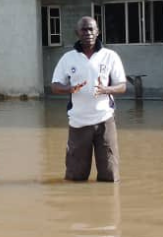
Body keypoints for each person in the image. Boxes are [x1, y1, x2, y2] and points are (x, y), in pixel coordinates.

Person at [50, 16, 127, 182]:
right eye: (84, 30)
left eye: (91, 29)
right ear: (77, 33)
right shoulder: (68, 58)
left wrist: (107, 89)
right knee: (75, 178)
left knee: (110, 176)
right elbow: (55, 85)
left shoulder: (110, 56)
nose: (88, 33)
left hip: (104, 120)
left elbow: (122, 86)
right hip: (78, 123)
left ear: (98, 32)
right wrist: (69, 88)